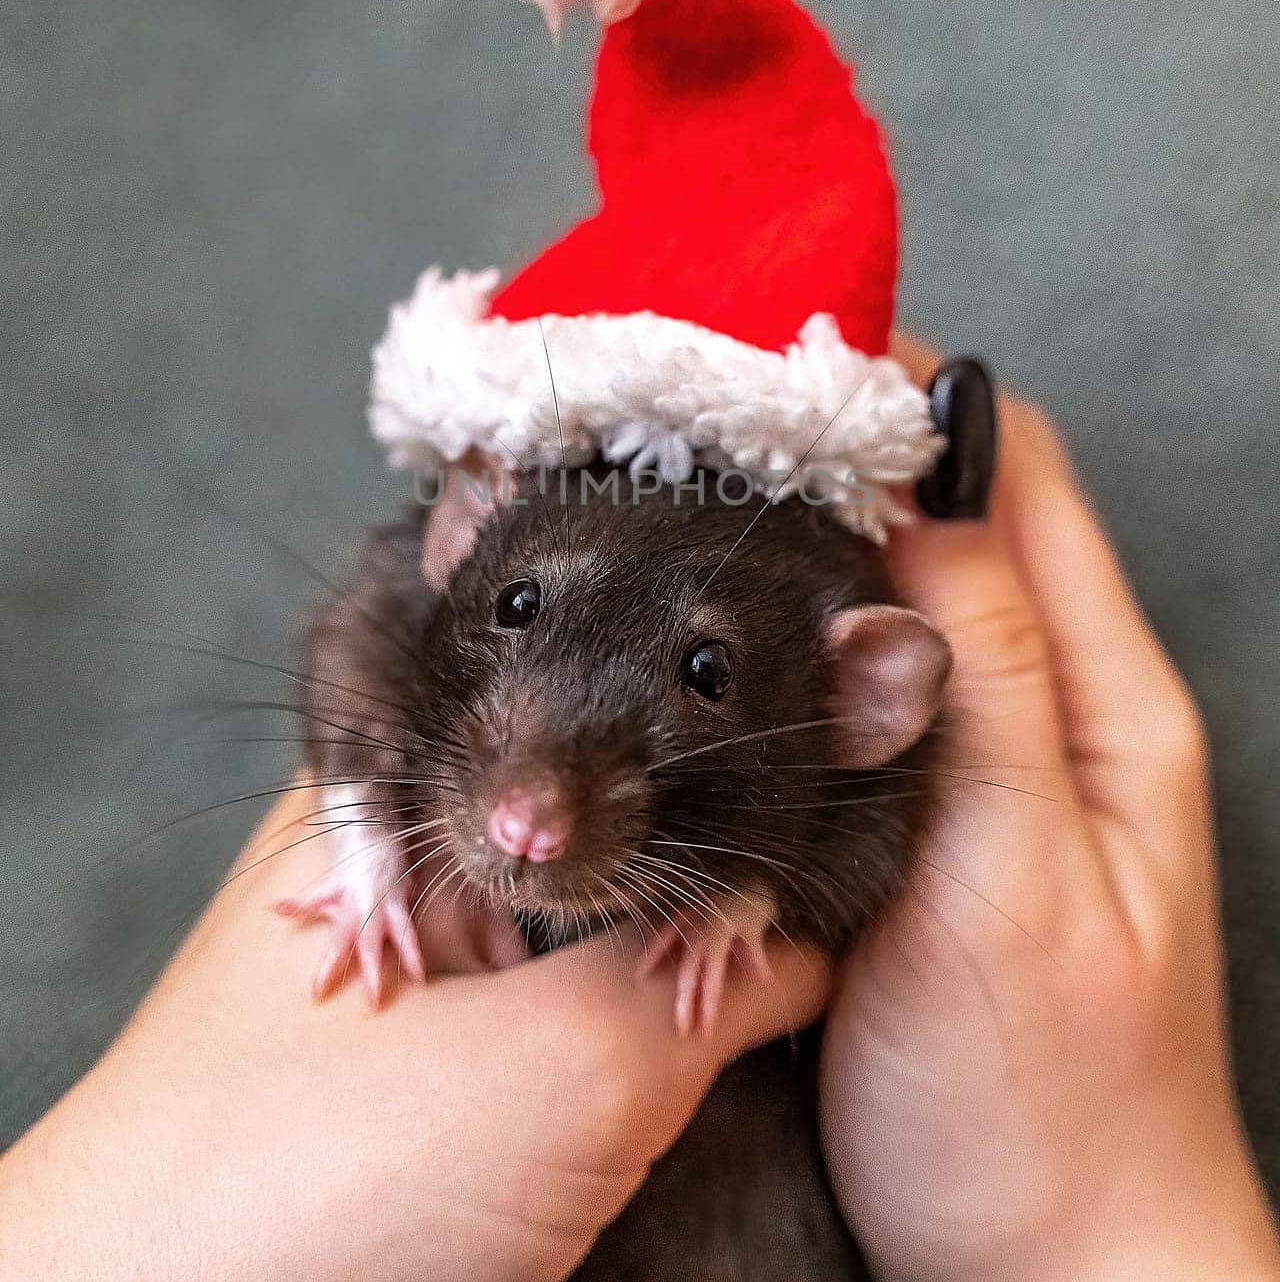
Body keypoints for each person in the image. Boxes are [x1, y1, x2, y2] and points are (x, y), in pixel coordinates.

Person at [1, 343, 1276, 1282]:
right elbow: (359, 639)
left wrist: (755, 893)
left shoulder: (852, 765)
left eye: (706, 676)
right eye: (516, 611)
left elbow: (870, 834)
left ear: (858, 694)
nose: (527, 816)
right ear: (466, 533)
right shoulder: (405, 621)